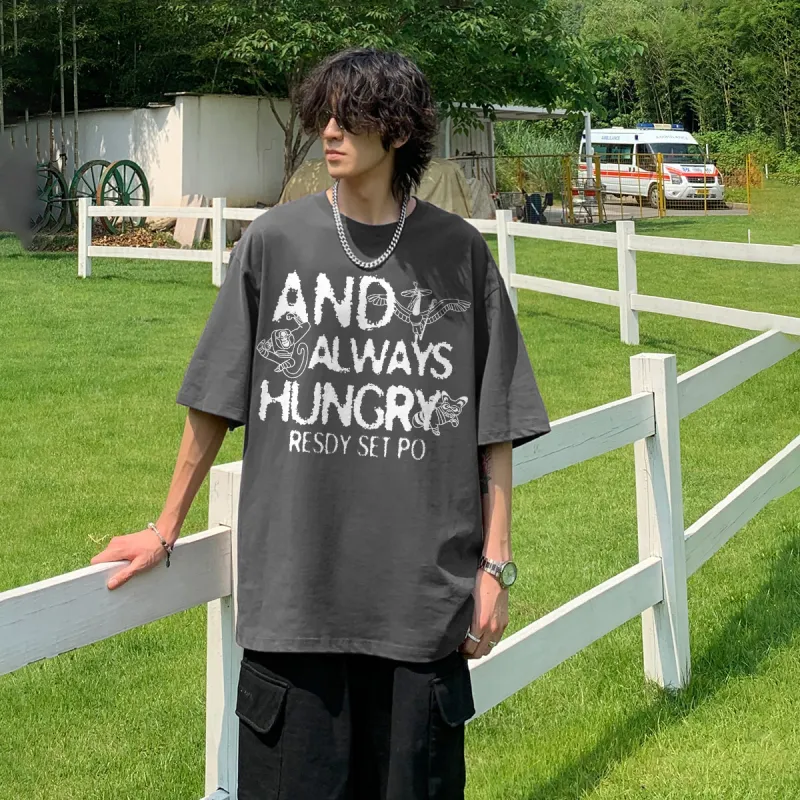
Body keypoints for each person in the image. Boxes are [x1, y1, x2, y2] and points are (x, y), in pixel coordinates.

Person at [90, 47, 551, 800]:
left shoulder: (459, 254)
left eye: (349, 117)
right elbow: (214, 401)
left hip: (418, 610)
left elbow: (493, 427)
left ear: (395, 131)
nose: (328, 131)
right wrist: (164, 527)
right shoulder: (274, 243)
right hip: (295, 609)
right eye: (324, 116)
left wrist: (495, 567)